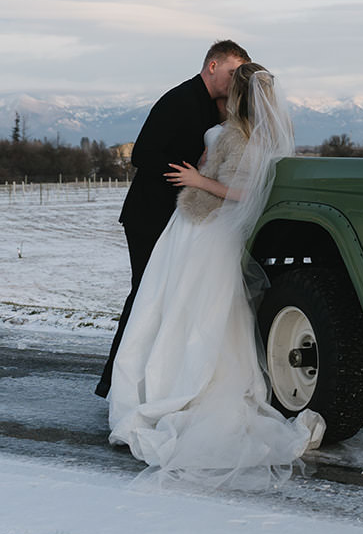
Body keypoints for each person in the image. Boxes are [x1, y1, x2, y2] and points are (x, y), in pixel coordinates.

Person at [107, 62, 324, 488]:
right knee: (186, 307)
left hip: (207, 231)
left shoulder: (241, 137)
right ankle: (177, 380)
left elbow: (246, 192)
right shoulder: (250, 134)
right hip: (201, 230)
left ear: (238, 94)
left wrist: (197, 180)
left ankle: (177, 386)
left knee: (190, 307)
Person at [95, 40, 249, 398]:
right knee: (144, 296)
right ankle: (114, 382)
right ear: (212, 66)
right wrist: (190, 172)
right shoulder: (178, 100)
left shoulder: (216, 107)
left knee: (168, 299)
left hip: (183, 221)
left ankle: (157, 380)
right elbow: (143, 154)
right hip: (149, 215)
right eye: (231, 72)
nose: (234, 80)